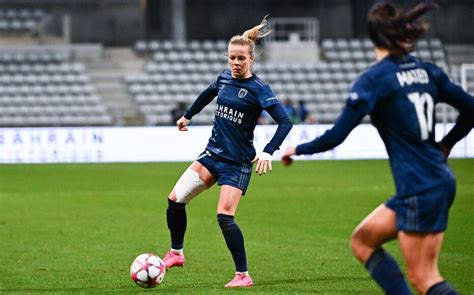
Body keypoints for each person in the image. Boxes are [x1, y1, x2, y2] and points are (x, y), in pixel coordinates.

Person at [281, 2, 473, 294]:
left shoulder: (374, 80)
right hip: (438, 180)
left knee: (425, 279)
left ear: (372, 37)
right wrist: (447, 144)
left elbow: (336, 135)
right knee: (363, 241)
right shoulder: (428, 71)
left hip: (418, 188)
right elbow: (471, 108)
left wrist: (296, 149)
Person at [162, 16, 293, 288]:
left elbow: (285, 121)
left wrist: (269, 151)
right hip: (212, 155)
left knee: (224, 216)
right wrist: (188, 115)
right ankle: (176, 253)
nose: (235, 63)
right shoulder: (223, 78)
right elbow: (207, 94)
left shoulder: (259, 89)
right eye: (232, 58)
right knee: (175, 200)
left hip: (237, 163)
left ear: (251, 60)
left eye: (241, 59)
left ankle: (242, 275)